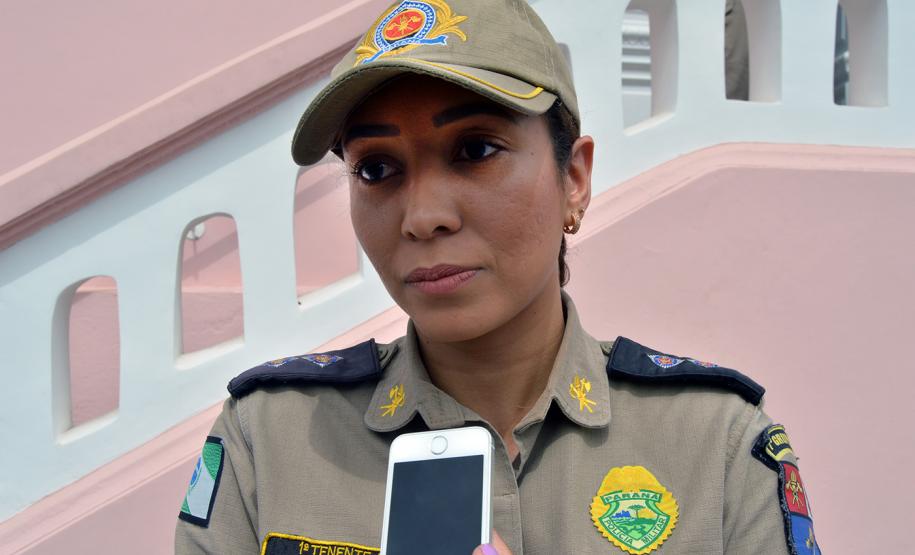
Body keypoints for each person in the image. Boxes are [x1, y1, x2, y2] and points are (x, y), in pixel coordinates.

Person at [175, 1, 820, 554]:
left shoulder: (717, 445)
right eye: (375, 169)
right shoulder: (270, 440)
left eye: (476, 150)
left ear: (574, 179)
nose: (422, 217)